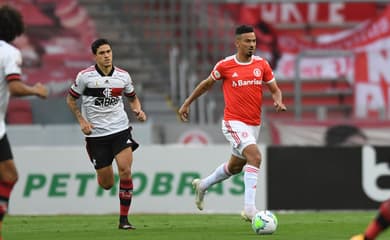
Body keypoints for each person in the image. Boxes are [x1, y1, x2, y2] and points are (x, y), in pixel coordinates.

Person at [178, 25, 286, 221]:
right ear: (237, 43)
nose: (252, 45)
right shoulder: (225, 65)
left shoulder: (262, 64)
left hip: (254, 125)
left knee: (235, 167)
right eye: (247, 41)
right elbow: (206, 84)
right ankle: (250, 209)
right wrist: (187, 103)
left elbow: (275, 89)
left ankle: (203, 185)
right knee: (255, 157)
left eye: (254, 41)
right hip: (233, 122)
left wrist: (278, 100)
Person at [66, 38, 146, 230]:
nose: (107, 56)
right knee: (107, 184)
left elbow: (133, 99)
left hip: (120, 130)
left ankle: (124, 220)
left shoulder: (123, 76)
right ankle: (102, 169)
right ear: (95, 56)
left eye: (109, 52)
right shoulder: (85, 77)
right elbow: (70, 99)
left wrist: (138, 110)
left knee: (125, 170)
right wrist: (81, 120)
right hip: (96, 136)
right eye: (102, 53)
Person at [0, 5, 48, 240]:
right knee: (10, 177)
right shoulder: (9, 52)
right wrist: (36, 90)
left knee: (9, 175)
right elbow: (15, 86)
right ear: (14, 29)